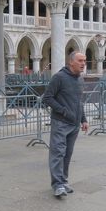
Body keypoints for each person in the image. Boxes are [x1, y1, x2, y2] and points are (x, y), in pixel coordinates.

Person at [42, 51, 89, 198]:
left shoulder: (80, 80)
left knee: (67, 155)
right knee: (57, 153)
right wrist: (63, 111)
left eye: (85, 61)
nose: (83, 64)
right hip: (61, 123)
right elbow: (47, 98)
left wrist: (84, 119)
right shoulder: (59, 78)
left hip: (74, 125)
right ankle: (57, 185)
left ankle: (63, 181)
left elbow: (79, 102)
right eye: (80, 61)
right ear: (71, 62)